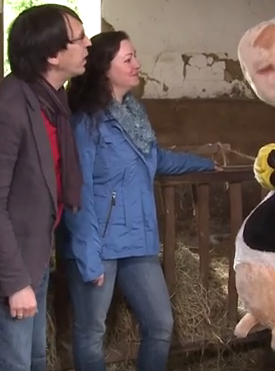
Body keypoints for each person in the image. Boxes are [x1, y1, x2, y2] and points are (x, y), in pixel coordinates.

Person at [61, 30, 219, 371]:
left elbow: (154, 159)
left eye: (135, 57)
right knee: (91, 333)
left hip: (138, 239)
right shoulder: (86, 123)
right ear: (105, 69)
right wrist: (88, 254)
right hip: (99, 243)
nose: (138, 64)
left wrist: (204, 163)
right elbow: (77, 190)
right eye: (128, 59)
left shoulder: (134, 113)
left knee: (160, 325)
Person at [0, 3, 90, 371]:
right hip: (8, 270)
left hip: (32, 256)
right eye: (79, 38)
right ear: (52, 54)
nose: (88, 44)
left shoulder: (49, 101)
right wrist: (17, 283)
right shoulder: (6, 109)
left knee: (33, 360)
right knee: (14, 364)